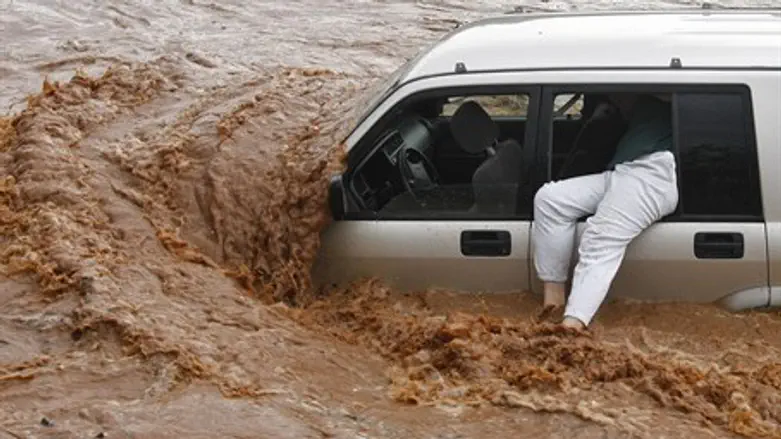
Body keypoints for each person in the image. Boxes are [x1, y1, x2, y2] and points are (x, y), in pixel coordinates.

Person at [531, 93, 679, 330]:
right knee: (550, 200)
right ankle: (553, 303)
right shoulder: (634, 106)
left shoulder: (660, 92)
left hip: (653, 174)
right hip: (624, 172)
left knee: (598, 239)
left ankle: (571, 329)